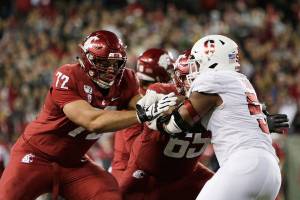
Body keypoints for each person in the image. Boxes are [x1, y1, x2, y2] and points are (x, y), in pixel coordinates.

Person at [0, 30, 176, 200]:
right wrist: (144, 113)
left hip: (74, 163)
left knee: (109, 196)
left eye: (116, 64)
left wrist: (161, 99)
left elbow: (142, 105)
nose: (111, 70)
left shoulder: (126, 80)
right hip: (36, 155)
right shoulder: (68, 75)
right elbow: (92, 121)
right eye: (104, 63)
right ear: (87, 59)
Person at [146, 35, 289, 200]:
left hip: (244, 165)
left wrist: (157, 117)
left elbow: (177, 123)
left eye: (197, 62)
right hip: (270, 171)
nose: (195, 68)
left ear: (212, 59)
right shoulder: (241, 80)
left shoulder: (212, 78)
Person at [111, 48, 174, 183]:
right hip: (129, 174)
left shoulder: (141, 93)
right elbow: (140, 154)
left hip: (149, 172)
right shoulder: (135, 102)